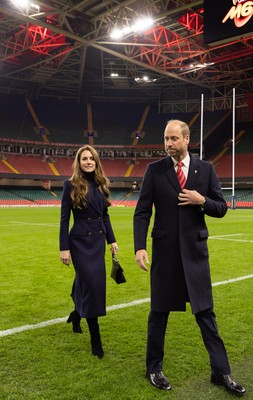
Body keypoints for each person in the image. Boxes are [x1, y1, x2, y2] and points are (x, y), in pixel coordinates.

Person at [133, 120, 246, 396]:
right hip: (165, 255)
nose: (168, 143)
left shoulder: (205, 170)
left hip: (195, 256)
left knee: (206, 313)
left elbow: (221, 208)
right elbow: (142, 211)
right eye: (165, 138)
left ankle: (221, 372)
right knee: (159, 313)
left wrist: (201, 201)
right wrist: (139, 247)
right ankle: (154, 369)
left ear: (186, 139)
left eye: (173, 138)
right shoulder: (154, 170)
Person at [59, 145, 118, 358]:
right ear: (79, 162)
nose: (88, 162)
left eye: (91, 158)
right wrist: (63, 248)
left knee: (88, 283)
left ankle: (76, 314)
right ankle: (96, 339)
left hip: (98, 242)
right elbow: (64, 219)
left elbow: (105, 216)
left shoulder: (101, 185)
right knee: (91, 285)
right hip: (79, 242)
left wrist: (112, 240)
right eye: (84, 159)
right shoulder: (70, 185)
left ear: (96, 161)